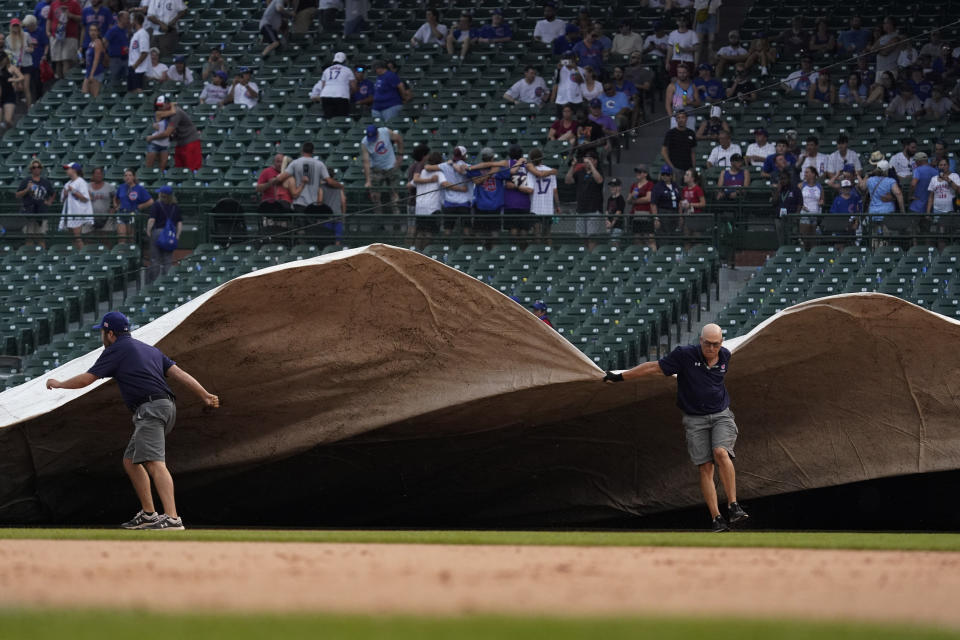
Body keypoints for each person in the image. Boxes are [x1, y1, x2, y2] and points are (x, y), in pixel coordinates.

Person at [45, 310, 220, 531]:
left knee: (154, 463)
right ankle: (149, 514)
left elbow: (87, 379)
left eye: (102, 332)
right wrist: (203, 394)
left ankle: (173, 518)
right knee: (131, 461)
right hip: (165, 407)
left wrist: (60, 383)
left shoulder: (117, 349)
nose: (102, 337)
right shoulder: (150, 349)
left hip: (150, 408)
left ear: (110, 334)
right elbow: (179, 373)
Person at [603, 323, 749, 532]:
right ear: (700, 341)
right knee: (705, 467)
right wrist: (621, 376)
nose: (711, 349)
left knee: (721, 452)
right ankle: (716, 518)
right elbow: (653, 367)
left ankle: (734, 506)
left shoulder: (725, 356)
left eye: (715, 344)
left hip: (720, 414)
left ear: (721, 343)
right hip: (694, 419)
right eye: (707, 344)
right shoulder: (685, 355)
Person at [276, 142, 337, 211]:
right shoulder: (320, 164)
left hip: (299, 204)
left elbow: (280, 178)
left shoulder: (295, 163)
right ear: (313, 151)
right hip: (312, 205)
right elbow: (329, 181)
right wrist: (340, 186)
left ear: (302, 151)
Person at [361, 124, 403, 218]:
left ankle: (397, 218)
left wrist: (400, 155)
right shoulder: (365, 142)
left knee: (394, 194)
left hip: (391, 167)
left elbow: (399, 139)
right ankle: (379, 220)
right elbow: (366, 162)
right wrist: (368, 180)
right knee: (375, 196)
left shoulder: (385, 132)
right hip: (376, 170)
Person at [565, 149, 604, 249]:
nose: (587, 161)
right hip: (581, 209)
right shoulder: (580, 172)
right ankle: (585, 258)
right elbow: (568, 180)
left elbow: (599, 180)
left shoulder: (598, 171)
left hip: (593, 209)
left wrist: (591, 166)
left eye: (590, 159)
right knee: (582, 238)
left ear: (595, 161)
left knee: (592, 237)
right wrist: (572, 166)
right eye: (586, 159)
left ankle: (591, 259)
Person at [150, 97, 203, 171]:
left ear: (168, 104)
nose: (159, 108)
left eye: (161, 105)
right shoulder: (163, 114)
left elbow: (167, 133)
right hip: (180, 143)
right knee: (179, 169)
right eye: (158, 106)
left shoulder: (176, 112)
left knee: (191, 169)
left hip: (190, 141)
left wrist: (152, 138)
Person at [14, 159, 55, 247]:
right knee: (29, 238)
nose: (36, 169)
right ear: (31, 169)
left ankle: (42, 257)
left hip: (41, 212)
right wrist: (27, 189)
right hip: (29, 213)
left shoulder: (46, 182)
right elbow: (17, 194)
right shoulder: (26, 181)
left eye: (38, 167)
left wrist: (49, 202)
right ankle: (29, 257)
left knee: (41, 238)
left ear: (41, 169)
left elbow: (53, 193)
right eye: (34, 167)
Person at [145, 185, 181, 283]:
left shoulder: (156, 205)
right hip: (170, 234)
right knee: (168, 260)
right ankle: (166, 282)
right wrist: (177, 236)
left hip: (158, 232)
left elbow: (152, 220)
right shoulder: (175, 207)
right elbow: (179, 223)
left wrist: (148, 230)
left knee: (155, 259)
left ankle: (154, 283)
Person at [409, 150, 443, 248]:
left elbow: (409, 185)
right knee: (429, 233)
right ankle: (424, 255)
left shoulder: (422, 172)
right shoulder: (440, 174)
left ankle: (417, 254)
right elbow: (445, 184)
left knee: (420, 233)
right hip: (432, 208)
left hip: (420, 208)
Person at [437, 145, 472, 235]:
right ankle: (466, 248)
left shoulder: (445, 165)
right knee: (466, 228)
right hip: (464, 202)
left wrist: (451, 164)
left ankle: (445, 247)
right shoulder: (468, 166)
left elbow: (428, 167)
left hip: (450, 201)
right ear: (464, 155)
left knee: (448, 229)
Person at [310, 51, 356, 118]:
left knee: (329, 118)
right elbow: (354, 87)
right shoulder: (347, 70)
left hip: (326, 95)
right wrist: (350, 94)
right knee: (341, 119)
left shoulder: (327, 70)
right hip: (341, 95)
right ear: (344, 61)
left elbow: (323, 86)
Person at [114, 167, 153, 244]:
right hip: (121, 213)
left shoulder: (139, 189)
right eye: (125, 175)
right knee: (122, 237)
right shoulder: (121, 187)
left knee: (131, 238)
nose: (127, 177)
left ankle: (131, 254)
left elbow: (151, 201)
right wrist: (116, 205)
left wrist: (140, 206)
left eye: (130, 175)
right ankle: (122, 254)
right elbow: (116, 198)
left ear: (134, 177)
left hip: (132, 214)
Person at [59, 162, 93, 249]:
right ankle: (77, 255)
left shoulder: (81, 182)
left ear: (74, 170)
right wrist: (65, 195)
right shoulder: (67, 183)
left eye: (68, 169)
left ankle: (83, 256)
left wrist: (74, 191)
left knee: (77, 238)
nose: (66, 170)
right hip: (69, 213)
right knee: (73, 238)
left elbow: (86, 198)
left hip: (78, 213)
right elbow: (62, 200)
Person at [527, 147, 557, 240]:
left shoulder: (531, 172)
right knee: (548, 233)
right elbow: (555, 190)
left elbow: (530, 189)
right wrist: (558, 205)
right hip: (548, 207)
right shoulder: (550, 171)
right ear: (542, 157)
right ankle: (548, 251)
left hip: (535, 207)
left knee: (537, 232)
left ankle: (538, 252)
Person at [47, 0, 82, 79]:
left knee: (66, 60)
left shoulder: (74, 3)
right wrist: (47, 31)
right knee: (58, 61)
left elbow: (81, 18)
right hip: (56, 36)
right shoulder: (54, 3)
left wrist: (70, 15)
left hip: (70, 36)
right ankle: (60, 83)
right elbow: (49, 18)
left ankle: (66, 82)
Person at [661, 108, 697, 174]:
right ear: (676, 120)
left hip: (688, 169)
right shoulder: (670, 133)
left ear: (686, 119)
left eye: (683, 117)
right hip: (675, 168)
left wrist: (693, 168)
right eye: (678, 118)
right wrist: (672, 167)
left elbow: (693, 152)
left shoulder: (691, 133)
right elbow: (663, 151)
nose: (681, 120)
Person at [7, 18, 33, 107]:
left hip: (26, 64)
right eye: (14, 25)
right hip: (15, 66)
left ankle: (29, 108)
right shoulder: (8, 38)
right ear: (11, 26)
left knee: (26, 87)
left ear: (19, 25)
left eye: (17, 25)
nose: (15, 27)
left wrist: (29, 49)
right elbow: (8, 54)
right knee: (14, 87)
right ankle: (12, 108)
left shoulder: (26, 35)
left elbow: (32, 47)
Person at [664, 63, 699, 128]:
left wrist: (690, 102)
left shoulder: (693, 86)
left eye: (684, 72)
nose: (682, 75)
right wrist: (672, 117)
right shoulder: (672, 86)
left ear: (688, 73)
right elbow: (667, 104)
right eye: (679, 72)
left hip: (690, 116)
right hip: (677, 116)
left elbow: (698, 103)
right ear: (677, 73)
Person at [650, 165, 682, 233]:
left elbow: (679, 201)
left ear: (671, 175)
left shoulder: (675, 185)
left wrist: (680, 216)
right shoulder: (657, 187)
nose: (665, 176)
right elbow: (653, 204)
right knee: (664, 235)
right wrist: (656, 218)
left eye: (667, 174)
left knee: (674, 235)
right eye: (663, 174)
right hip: (663, 213)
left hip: (675, 213)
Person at [22, 14, 46, 101]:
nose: (27, 27)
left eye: (29, 26)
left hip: (37, 59)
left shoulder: (40, 31)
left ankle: (39, 98)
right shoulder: (24, 32)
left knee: (37, 80)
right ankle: (30, 98)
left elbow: (46, 44)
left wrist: (45, 55)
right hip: (27, 61)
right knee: (29, 82)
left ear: (33, 24)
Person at [103, 11, 129, 90]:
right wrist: (106, 54)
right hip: (115, 59)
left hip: (125, 58)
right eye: (127, 18)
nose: (129, 20)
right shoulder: (113, 30)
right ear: (121, 18)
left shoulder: (126, 30)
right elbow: (104, 41)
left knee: (126, 81)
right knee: (114, 80)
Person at [86, 166, 116, 234]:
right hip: (90, 217)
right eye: (96, 173)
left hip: (105, 217)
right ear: (93, 175)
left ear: (103, 175)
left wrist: (114, 208)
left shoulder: (109, 187)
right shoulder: (86, 186)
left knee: (105, 238)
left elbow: (116, 197)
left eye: (100, 173)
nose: (98, 175)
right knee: (87, 237)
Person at [81, 22, 106, 97]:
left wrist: (92, 74)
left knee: (94, 96)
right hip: (88, 71)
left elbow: (96, 59)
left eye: (95, 30)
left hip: (96, 72)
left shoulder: (98, 42)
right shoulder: (90, 43)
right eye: (91, 30)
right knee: (84, 94)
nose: (92, 32)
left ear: (98, 32)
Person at [127, 13, 149, 94]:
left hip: (139, 69)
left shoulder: (143, 33)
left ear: (136, 21)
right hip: (133, 68)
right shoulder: (136, 34)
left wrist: (135, 66)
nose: (130, 22)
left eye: (131, 20)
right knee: (132, 92)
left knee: (137, 91)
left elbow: (144, 53)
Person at [0, 52, 22, 133]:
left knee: (8, 120)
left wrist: (14, 80)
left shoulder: (11, 68)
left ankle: (15, 132)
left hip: (9, 95)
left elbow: (21, 77)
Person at [145, 105, 170, 170]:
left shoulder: (171, 121)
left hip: (164, 145)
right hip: (154, 144)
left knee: (162, 167)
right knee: (149, 167)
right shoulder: (158, 115)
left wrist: (151, 138)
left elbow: (165, 134)